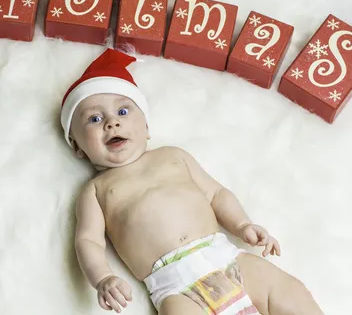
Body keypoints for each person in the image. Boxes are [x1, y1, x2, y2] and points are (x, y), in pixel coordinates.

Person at [61, 48, 323, 315]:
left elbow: (216, 194)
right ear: (78, 148)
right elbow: (88, 241)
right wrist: (103, 277)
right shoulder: (95, 191)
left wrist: (241, 223)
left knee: (287, 291)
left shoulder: (173, 156)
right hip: (172, 286)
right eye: (94, 119)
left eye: (124, 111)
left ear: (147, 128)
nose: (112, 123)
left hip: (225, 256)